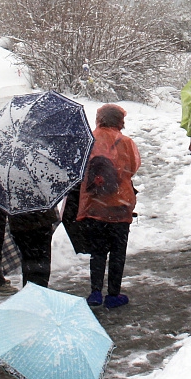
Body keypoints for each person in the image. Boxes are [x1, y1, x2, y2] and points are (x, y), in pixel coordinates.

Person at [77, 104, 141, 309]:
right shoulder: (126, 142)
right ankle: (113, 294)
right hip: (119, 206)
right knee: (117, 252)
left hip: (95, 205)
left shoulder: (88, 140)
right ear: (119, 121)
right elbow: (132, 168)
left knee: (98, 251)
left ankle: (95, 291)